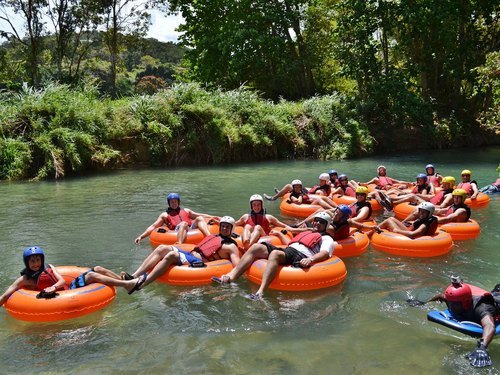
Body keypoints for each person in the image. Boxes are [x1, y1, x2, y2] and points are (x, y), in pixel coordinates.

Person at [121, 216, 241, 291]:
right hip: (190, 254)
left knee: (171, 255)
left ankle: (141, 284)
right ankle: (135, 275)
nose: (224, 229)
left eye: (227, 227)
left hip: (198, 262)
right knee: (162, 247)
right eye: (223, 226)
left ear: (231, 229)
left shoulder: (231, 246)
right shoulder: (215, 236)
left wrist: (229, 277)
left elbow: (238, 266)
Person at [247, 211, 336, 300]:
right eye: (316, 220)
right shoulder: (308, 233)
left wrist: (311, 259)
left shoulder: (327, 238)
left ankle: (260, 293)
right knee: (256, 247)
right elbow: (290, 244)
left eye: (321, 222)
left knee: (275, 253)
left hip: (300, 255)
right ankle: (233, 277)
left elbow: (324, 253)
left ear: (326, 225)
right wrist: (279, 234)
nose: (318, 223)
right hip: (289, 250)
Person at [427, 276, 499, 368]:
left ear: (466, 302)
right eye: (450, 303)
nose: (451, 307)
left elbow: (489, 325)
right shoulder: (452, 299)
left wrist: (482, 347)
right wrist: (425, 303)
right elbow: (441, 296)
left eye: (455, 305)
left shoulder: (482, 307)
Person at [134, 193, 216, 245]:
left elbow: (200, 215)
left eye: (175, 201)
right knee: (183, 224)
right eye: (172, 202)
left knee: (199, 218)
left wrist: (214, 217)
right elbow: (153, 226)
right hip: (176, 230)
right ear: (169, 203)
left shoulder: (186, 210)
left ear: (178, 202)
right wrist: (141, 237)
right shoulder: (165, 215)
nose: (174, 203)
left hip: (190, 228)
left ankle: (210, 237)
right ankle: (180, 244)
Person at [0, 247, 67, 306]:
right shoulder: (25, 279)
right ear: (27, 262)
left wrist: (53, 287)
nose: (36, 264)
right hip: (42, 304)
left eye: (38, 259)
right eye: (32, 261)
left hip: (64, 296)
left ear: (42, 260)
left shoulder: (50, 267)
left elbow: (62, 281)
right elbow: (5, 295)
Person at [373, 202, 438, 238]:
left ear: (429, 213)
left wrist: (397, 231)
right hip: (409, 231)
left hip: (412, 237)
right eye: (421, 211)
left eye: (424, 212)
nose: (421, 213)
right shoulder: (428, 218)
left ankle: (371, 232)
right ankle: (374, 230)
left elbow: (413, 234)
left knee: (388, 221)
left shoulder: (425, 224)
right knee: (391, 218)